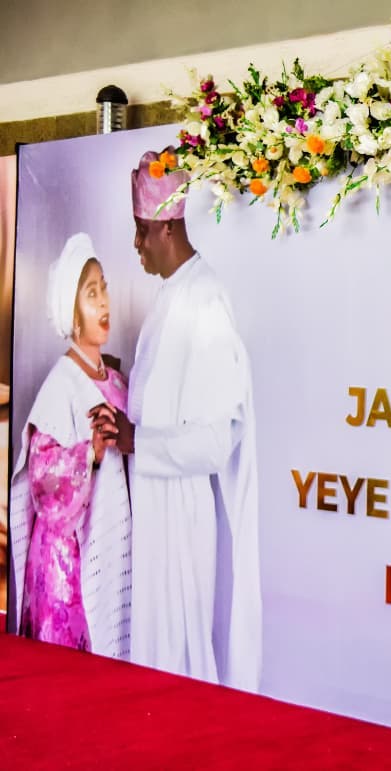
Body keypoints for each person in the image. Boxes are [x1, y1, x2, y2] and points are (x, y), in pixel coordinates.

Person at [93, 148, 262, 689]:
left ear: (167, 226)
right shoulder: (173, 295)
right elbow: (162, 399)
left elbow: (215, 441)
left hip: (182, 513)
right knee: (152, 653)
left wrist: (140, 440)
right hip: (154, 502)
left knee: (177, 658)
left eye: (141, 231)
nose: (136, 245)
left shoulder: (205, 298)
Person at [7, 232, 131, 657]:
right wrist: (90, 453)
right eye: (91, 293)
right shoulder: (60, 384)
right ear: (73, 315)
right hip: (65, 566)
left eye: (104, 290)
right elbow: (42, 481)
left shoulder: (115, 382)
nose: (103, 303)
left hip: (110, 547)